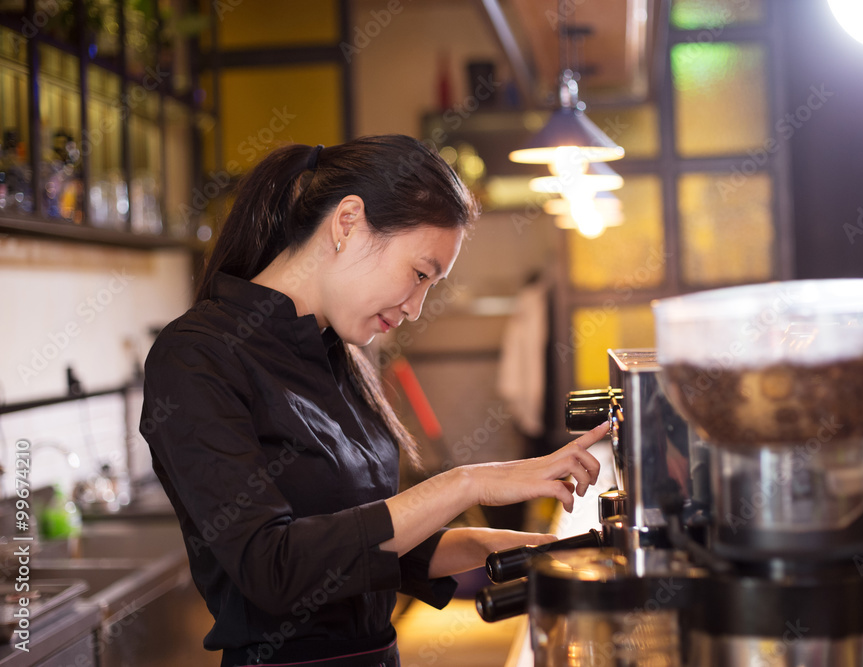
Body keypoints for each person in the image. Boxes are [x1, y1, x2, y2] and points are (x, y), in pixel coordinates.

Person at [139, 135, 609, 667]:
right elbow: (274, 569)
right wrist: (467, 482)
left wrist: (501, 548)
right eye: (419, 274)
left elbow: (360, 548)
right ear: (348, 223)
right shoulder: (195, 356)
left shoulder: (333, 352)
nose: (415, 308)